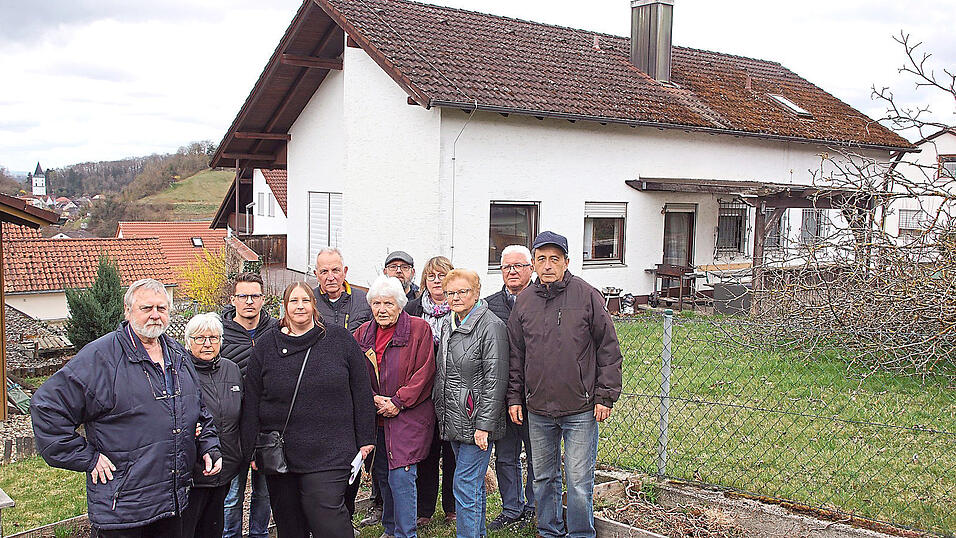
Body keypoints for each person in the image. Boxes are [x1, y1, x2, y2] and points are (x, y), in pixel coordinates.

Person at [31, 279, 222, 537]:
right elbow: (47, 406)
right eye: (146, 308)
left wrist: (208, 445)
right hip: (123, 509)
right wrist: (87, 457)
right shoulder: (101, 358)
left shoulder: (178, 356)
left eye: (162, 308)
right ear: (127, 310)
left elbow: (199, 410)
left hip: (171, 504)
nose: (155, 315)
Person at [507, 231, 623, 538]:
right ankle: (549, 531)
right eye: (541, 259)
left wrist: (605, 395)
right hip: (538, 410)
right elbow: (516, 355)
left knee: (579, 481)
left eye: (554, 259)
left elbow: (608, 348)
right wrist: (515, 398)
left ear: (566, 262)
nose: (547, 265)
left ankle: (581, 533)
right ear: (533, 263)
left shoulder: (587, 296)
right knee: (544, 478)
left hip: (581, 409)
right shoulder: (524, 303)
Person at [241, 282, 376, 537]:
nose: (299, 306)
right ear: (284, 306)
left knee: (328, 520)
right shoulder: (266, 345)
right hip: (282, 455)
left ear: (313, 305)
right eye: (293, 301)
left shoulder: (339, 340)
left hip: (332, 450)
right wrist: (250, 449)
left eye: (305, 300)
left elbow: (361, 391)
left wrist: (366, 438)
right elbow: (253, 399)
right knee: (290, 526)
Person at [355, 276, 437, 538]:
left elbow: (425, 372)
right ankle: (390, 529)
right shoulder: (362, 334)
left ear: (400, 305)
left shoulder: (419, 329)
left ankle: (405, 532)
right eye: (376, 303)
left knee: (401, 476)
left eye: (388, 303)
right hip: (376, 416)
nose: (382, 309)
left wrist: (398, 401)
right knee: (383, 475)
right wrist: (373, 399)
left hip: (409, 416)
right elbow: (354, 374)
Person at [433, 269, 509, 538]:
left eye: (462, 292)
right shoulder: (447, 322)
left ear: (476, 293)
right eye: (450, 293)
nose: (455, 297)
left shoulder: (492, 327)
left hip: (477, 421)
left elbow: (496, 380)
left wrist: (484, 426)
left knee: (465, 483)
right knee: (471, 485)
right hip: (453, 417)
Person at [483, 245, 537, 530]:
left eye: (518, 265)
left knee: (536, 455)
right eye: (507, 267)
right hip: (501, 394)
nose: (512, 271)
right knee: (505, 455)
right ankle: (511, 508)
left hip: (535, 393)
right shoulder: (489, 305)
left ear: (531, 268)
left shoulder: (542, 300)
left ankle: (532, 505)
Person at [220, 272, 277, 538]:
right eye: (243, 296)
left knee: (264, 492)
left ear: (263, 299)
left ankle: (259, 534)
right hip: (231, 426)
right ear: (233, 300)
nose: (249, 302)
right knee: (232, 494)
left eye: (255, 296)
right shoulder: (219, 334)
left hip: (267, 425)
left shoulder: (277, 330)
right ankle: (229, 534)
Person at [404, 256, 457, 526]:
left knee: (452, 451)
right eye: (432, 276)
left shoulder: (460, 308)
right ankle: (424, 509)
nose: (437, 281)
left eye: (442, 276)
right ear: (424, 280)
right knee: (426, 450)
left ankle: (451, 507)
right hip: (422, 392)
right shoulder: (413, 310)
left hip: (452, 392)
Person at [181, 313, 243, 538]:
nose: (207, 343)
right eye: (200, 338)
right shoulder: (180, 372)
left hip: (226, 464)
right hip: (193, 470)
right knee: (189, 527)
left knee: (214, 527)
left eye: (214, 338)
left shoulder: (231, 369)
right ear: (188, 342)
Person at [312, 247, 372, 332]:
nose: (330, 277)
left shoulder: (364, 300)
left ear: (345, 272)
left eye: (335, 270)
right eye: (324, 271)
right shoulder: (309, 301)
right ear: (316, 274)